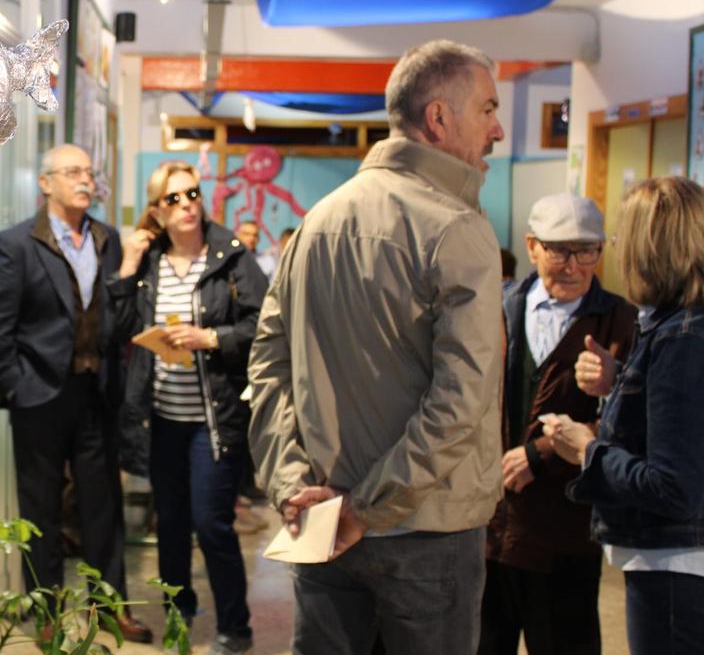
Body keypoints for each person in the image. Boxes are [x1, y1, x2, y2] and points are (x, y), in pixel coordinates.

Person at [247, 39, 506, 655]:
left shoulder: (316, 222)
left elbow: (266, 368)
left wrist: (291, 486)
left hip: (321, 521)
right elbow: (461, 402)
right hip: (425, 530)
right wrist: (367, 506)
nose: (497, 129)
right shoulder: (456, 229)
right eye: (489, 108)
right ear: (439, 119)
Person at [0, 144, 152, 643]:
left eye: (89, 173)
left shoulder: (106, 239)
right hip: (38, 396)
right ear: (46, 182)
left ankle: (109, 605)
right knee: (41, 511)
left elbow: (117, 321)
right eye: (72, 172)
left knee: (103, 507)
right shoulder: (16, 244)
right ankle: (46, 610)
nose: (85, 180)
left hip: (96, 392)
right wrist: (18, 384)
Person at [109, 161, 266, 655]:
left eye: (192, 194)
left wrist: (211, 337)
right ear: (156, 211)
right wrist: (127, 269)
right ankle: (180, 618)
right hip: (161, 420)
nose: (186, 206)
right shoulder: (151, 261)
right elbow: (115, 331)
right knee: (171, 526)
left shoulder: (230, 255)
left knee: (212, 523)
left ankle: (235, 628)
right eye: (173, 199)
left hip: (213, 419)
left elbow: (263, 324)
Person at [544, 177, 704, 655]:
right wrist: (623, 383)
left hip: (674, 567)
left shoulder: (682, 336)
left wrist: (587, 451)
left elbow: (675, 487)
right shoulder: (677, 326)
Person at [478, 194, 637, 655]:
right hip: (491, 527)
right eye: (558, 250)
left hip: (568, 530)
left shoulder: (620, 320)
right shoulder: (498, 307)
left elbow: (632, 426)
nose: (573, 265)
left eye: (586, 251)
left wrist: (539, 453)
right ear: (531, 246)